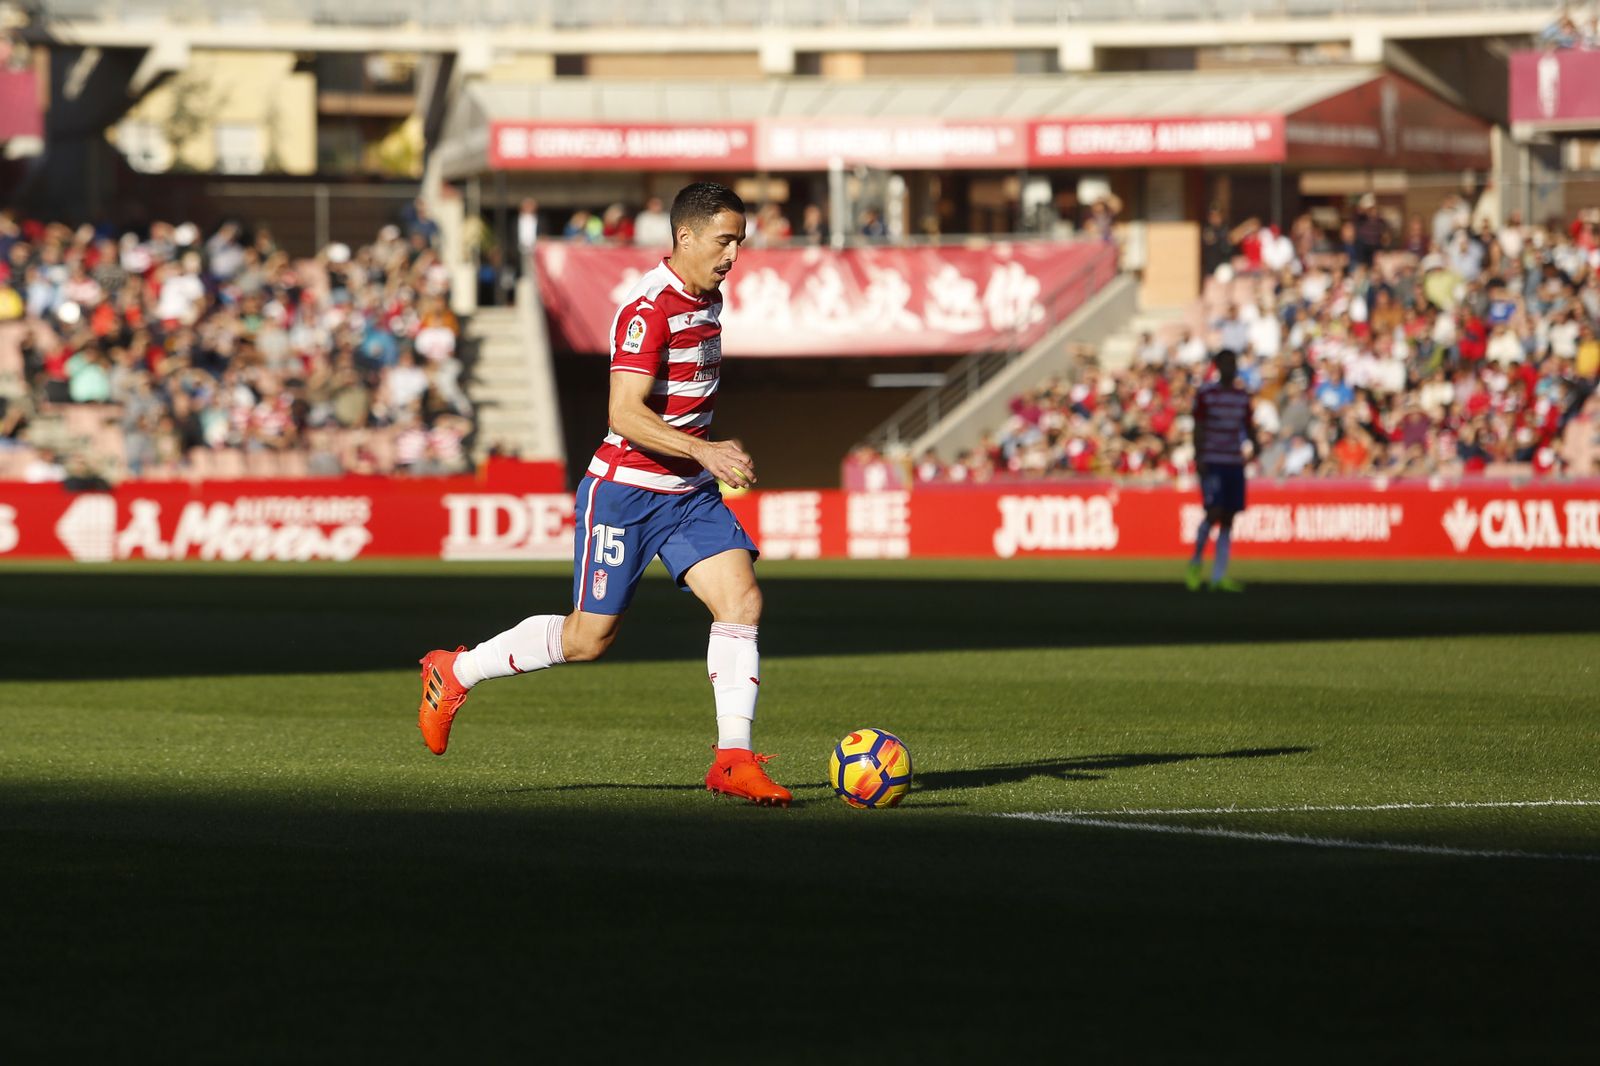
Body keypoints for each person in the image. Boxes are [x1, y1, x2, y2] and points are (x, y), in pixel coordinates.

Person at [414, 182, 791, 806]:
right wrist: (704, 448)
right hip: (625, 492)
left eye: (739, 243)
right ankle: (453, 672)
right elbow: (623, 413)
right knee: (589, 639)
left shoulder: (709, 298)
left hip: (688, 494)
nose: (732, 256)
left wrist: (700, 456)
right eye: (724, 242)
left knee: (742, 603)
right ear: (686, 237)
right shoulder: (648, 311)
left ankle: (732, 759)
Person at [1186, 349, 1259, 593]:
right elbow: (1199, 426)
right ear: (1218, 366)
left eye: (1233, 362)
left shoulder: (1241, 396)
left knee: (1228, 517)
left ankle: (1219, 576)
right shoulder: (1207, 394)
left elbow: (1248, 427)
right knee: (1213, 511)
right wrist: (1199, 457)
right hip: (1213, 461)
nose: (1231, 367)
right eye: (1226, 363)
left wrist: (1256, 444)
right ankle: (1195, 564)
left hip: (1234, 462)